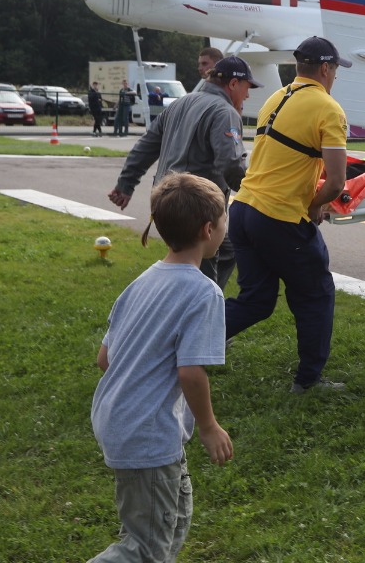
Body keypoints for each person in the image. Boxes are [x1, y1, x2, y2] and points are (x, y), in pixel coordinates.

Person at [89, 173, 234, 562]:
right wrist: (208, 426)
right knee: (144, 547)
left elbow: (105, 359)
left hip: (121, 420)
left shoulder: (140, 282)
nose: (225, 228)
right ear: (208, 230)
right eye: (224, 221)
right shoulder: (204, 292)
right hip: (145, 434)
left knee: (174, 519)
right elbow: (190, 372)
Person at [224, 36, 351, 394]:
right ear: (325, 68)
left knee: (256, 300)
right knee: (315, 294)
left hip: (244, 209)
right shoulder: (328, 108)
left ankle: (185, 343)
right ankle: (309, 381)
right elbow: (337, 180)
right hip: (279, 216)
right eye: (336, 70)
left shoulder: (275, 98)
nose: (336, 77)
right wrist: (315, 206)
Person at [107, 56, 259, 289]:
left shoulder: (179, 103)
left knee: (230, 246)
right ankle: (199, 313)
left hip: (166, 203)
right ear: (233, 84)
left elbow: (145, 147)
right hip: (197, 209)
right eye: (247, 87)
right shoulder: (224, 111)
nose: (247, 96)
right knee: (197, 279)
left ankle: (206, 303)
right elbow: (231, 165)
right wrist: (257, 197)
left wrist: (125, 185)